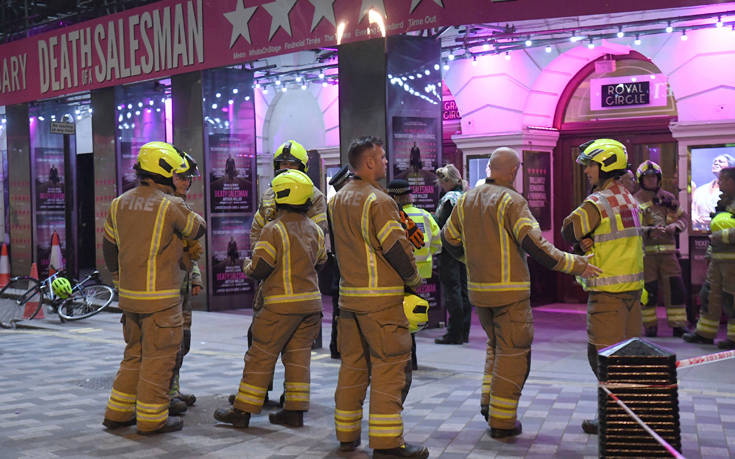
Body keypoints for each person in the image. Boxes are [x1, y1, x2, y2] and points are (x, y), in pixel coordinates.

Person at [442, 147, 600, 439]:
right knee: (514, 354)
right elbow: (535, 245)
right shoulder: (511, 201)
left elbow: (448, 239)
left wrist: (471, 261)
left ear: (489, 167)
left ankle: (488, 403)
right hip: (510, 293)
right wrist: (576, 264)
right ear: (513, 171)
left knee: (496, 348)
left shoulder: (466, 200)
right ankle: (502, 422)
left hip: (480, 292)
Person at [330, 136, 428, 458]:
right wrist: (414, 280)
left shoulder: (338, 199)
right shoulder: (380, 201)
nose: (386, 162)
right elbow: (396, 248)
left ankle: (346, 435)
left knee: (353, 368)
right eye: (382, 158)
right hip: (380, 303)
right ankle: (387, 444)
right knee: (389, 368)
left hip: (348, 302)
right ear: (369, 163)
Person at [101, 141, 206, 435]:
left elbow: (109, 248)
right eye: (175, 174)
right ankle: (152, 418)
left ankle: (118, 412)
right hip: (161, 300)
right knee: (159, 359)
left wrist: (119, 280)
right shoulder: (170, 205)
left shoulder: (118, 203)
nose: (178, 179)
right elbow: (198, 228)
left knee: (134, 354)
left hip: (130, 298)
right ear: (163, 173)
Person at [214, 170, 327, 428]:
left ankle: (242, 411)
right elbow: (320, 262)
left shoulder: (272, 230)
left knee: (260, 356)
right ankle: (294, 412)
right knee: (298, 359)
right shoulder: (315, 230)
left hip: (279, 307)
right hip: (310, 307)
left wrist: (246, 265)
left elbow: (261, 267)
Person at [561, 139, 644, 435]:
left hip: (607, 295)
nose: (586, 171)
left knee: (602, 358)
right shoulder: (630, 199)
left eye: (590, 165)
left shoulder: (598, 201)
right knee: (627, 358)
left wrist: (580, 242)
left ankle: (614, 418)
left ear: (605, 165)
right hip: (633, 293)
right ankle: (629, 414)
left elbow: (569, 228)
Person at [241, 139, 328, 406]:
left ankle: (274, 402)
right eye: (282, 166)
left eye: (291, 166)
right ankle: (265, 394)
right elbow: (258, 231)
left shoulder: (315, 197)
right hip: (271, 276)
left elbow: (318, 240)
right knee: (260, 339)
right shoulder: (270, 194)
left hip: (293, 279)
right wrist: (263, 253)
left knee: (279, 348)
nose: (286, 170)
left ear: (303, 167)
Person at [387, 178, 441, 369]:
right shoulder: (424, 215)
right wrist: (425, 255)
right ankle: (413, 359)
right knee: (413, 314)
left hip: (396, 273)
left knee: (400, 316)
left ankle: (404, 360)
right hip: (420, 273)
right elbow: (437, 243)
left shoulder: (391, 216)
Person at [634, 160, 688, 337]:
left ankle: (678, 325)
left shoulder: (669, 198)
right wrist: (649, 231)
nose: (651, 181)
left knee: (675, 289)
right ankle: (650, 325)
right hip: (646, 256)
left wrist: (676, 227)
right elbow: (630, 228)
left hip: (669, 255)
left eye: (654, 177)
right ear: (641, 180)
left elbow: (683, 219)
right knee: (648, 292)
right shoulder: (634, 201)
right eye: (647, 178)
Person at [683, 167, 735, 349]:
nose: (719, 184)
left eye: (723, 180)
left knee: (731, 299)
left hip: (732, 264)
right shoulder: (724, 202)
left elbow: (721, 233)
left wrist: (721, 237)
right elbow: (716, 229)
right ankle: (704, 334)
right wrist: (709, 253)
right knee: (708, 296)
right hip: (717, 262)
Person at [168, 149, 204, 412]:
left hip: (182, 287)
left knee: (183, 342)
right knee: (168, 344)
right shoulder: (165, 206)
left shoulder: (181, 206)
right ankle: (164, 393)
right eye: (182, 177)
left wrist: (195, 276)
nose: (186, 182)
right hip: (166, 287)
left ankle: (174, 389)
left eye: (189, 178)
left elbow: (190, 248)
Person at [434, 164, 472, 345]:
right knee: (464, 289)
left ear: (448, 181)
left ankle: (454, 332)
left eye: (441, 182)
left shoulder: (449, 199)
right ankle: (464, 331)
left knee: (452, 290)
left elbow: (441, 224)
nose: (440, 185)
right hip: (465, 249)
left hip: (449, 250)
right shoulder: (466, 196)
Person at [326, 165, 353, 360]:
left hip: (338, 262)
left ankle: (336, 345)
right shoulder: (345, 203)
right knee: (342, 307)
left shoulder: (334, 203)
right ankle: (340, 345)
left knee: (338, 306)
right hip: (347, 263)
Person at [692, 154, 735, 231]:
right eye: (715, 161)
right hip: (699, 232)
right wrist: (694, 218)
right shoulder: (701, 190)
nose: (716, 163)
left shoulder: (730, 194)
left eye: (720, 161)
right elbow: (693, 209)